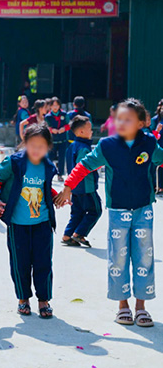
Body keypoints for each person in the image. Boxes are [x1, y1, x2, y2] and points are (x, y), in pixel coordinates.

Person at [56, 98, 163, 328]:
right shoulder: (107, 145)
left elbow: (161, 158)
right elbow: (84, 165)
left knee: (144, 257)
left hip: (144, 209)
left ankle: (141, 307)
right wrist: (68, 186)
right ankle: (123, 306)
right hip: (118, 212)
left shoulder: (149, 143)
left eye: (128, 119)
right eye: (119, 119)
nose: (122, 123)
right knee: (118, 258)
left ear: (142, 122)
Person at [0, 123, 58, 319]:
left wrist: (56, 197)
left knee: (44, 262)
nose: (37, 149)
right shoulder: (14, 162)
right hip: (18, 225)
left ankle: (44, 300)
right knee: (20, 264)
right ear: (25, 144)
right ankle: (23, 299)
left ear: (48, 147)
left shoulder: (48, 166)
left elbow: (44, 189)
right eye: (33, 144)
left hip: (42, 224)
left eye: (42, 146)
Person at [62, 116, 102, 247]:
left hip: (75, 187)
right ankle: (79, 233)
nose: (92, 132)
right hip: (86, 186)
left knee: (77, 212)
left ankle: (67, 235)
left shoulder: (71, 146)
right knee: (95, 210)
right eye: (89, 129)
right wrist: (98, 165)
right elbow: (84, 165)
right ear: (81, 132)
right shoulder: (84, 148)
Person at [45, 97, 69, 181]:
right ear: (50, 106)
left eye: (57, 105)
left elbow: (69, 124)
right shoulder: (48, 116)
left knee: (61, 157)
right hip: (52, 140)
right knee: (50, 157)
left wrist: (64, 129)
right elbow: (46, 126)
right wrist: (51, 130)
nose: (55, 107)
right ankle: (49, 173)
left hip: (62, 139)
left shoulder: (64, 114)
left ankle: (60, 174)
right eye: (53, 105)